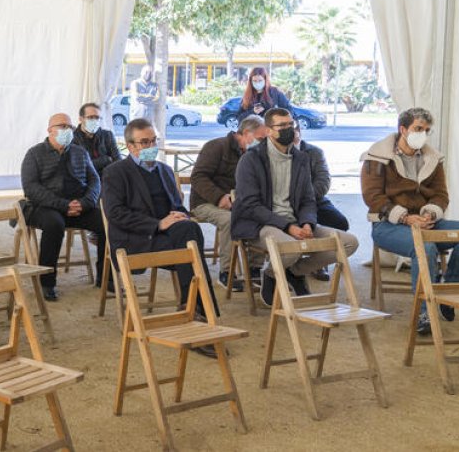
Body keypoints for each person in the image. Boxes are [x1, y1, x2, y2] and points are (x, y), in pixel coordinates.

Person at [101, 119, 221, 357]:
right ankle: (201, 315)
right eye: (144, 141)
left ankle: (196, 314)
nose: (151, 145)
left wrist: (180, 215)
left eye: (154, 140)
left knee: (189, 230)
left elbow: (177, 207)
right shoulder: (115, 172)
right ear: (130, 146)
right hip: (134, 240)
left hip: (167, 238)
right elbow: (115, 214)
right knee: (190, 242)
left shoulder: (164, 171)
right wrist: (157, 224)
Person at [361, 107, 459, 335]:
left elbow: (441, 195)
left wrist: (430, 213)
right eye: (418, 129)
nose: (423, 134)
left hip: (426, 221)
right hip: (388, 225)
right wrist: (405, 217)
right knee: (424, 248)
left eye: (426, 130)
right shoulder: (377, 157)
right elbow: (373, 197)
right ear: (402, 129)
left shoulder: (432, 158)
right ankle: (424, 312)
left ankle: (448, 296)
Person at [232, 108, 358, 307]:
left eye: (290, 124)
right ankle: (271, 273)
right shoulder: (251, 159)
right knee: (292, 249)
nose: (288, 129)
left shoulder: (301, 159)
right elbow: (250, 205)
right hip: (261, 223)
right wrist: (287, 227)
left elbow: (308, 199)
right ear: (268, 131)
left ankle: (294, 272)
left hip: (297, 221)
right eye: (282, 126)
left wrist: (308, 222)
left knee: (349, 243)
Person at [20, 113, 105, 301]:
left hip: (78, 206)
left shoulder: (79, 152)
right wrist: (63, 205)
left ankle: (105, 277)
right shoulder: (34, 153)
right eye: (62, 126)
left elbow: (94, 181)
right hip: (45, 207)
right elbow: (31, 188)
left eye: (70, 127)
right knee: (54, 224)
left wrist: (84, 203)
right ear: (50, 130)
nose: (67, 130)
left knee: (106, 222)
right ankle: (47, 282)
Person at [189, 114, 265, 291]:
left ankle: (255, 269)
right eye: (261, 139)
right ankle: (227, 274)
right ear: (246, 133)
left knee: (261, 216)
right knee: (229, 221)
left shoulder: (255, 154)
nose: (263, 143)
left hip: (238, 202)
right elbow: (198, 177)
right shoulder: (216, 146)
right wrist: (219, 197)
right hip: (204, 202)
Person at [294, 122, 349, 282]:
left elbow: (323, 181)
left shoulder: (315, 152)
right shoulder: (273, 153)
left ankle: (318, 262)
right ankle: (292, 260)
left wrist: (305, 198)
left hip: (314, 199)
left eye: (295, 130)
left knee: (339, 223)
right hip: (285, 203)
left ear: (299, 132)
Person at [72, 102, 121, 176]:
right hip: (85, 182)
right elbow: (80, 167)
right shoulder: (73, 138)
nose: (94, 120)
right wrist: (106, 159)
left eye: (97, 117)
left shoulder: (107, 135)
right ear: (81, 119)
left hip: (109, 178)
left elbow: (118, 161)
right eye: (90, 117)